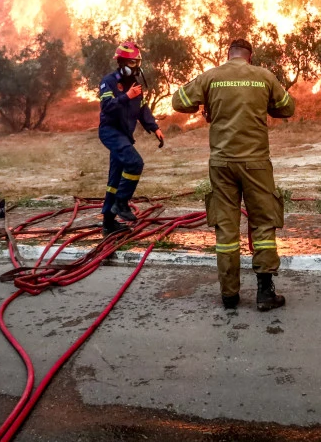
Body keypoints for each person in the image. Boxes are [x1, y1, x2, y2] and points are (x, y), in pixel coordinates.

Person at [172, 39, 294, 311]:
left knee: (226, 228)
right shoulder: (263, 76)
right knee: (263, 224)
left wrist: (206, 107)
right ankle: (264, 293)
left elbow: (178, 101)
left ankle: (229, 295)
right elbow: (288, 107)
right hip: (256, 164)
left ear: (228, 56)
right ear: (249, 57)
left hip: (222, 165)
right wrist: (264, 107)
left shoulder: (212, 76)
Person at [97, 42, 164, 234]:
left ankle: (109, 224)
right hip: (110, 131)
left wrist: (155, 127)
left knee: (114, 180)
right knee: (135, 163)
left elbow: (142, 109)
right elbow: (107, 106)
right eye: (133, 63)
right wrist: (126, 96)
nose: (136, 67)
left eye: (138, 62)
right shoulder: (108, 81)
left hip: (124, 135)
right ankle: (121, 202)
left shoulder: (135, 85)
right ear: (122, 62)